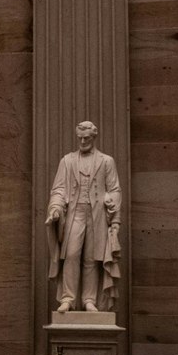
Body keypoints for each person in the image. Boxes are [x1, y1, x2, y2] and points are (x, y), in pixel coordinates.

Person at [46, 121, 122, 313]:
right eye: (79, 138)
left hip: (96, 214)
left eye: (86, 138)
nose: (82, 141)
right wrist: (55, 208)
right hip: (74, 213)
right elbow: (59, 189)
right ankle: (68, 298)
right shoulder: (67, 161)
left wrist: (111, 201)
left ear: (93, 137)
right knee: (71, 254)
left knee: (91, 258)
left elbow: (115, 189)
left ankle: (89, 300)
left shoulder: (106, 161)